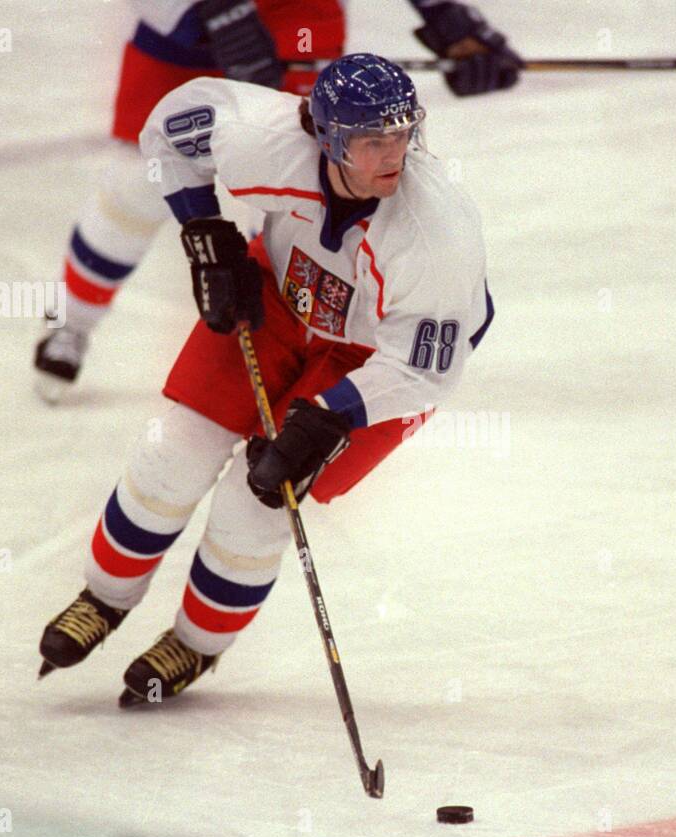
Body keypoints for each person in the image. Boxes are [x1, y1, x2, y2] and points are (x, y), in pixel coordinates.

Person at [37, 53, 494, 706]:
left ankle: (195, 643)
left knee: (257, 505)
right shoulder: (267, 136)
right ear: (329, 138)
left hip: (375, 364)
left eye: (402, 134)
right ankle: (104, 599)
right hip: (281, 298)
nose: (393, 153)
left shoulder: (435, 229)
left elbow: (425, 369)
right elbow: (166, 129)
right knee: (173, 451)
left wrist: (327, 416)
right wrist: (205, 232)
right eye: (373, 141)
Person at [34, 0, 518, 401]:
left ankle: (285, 357)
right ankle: (71, 320)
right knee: (138, 182)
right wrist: (218, 11)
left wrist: (447, 18)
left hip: (299, 20)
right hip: (183, 30)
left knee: (294, 182)